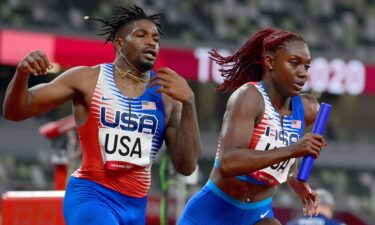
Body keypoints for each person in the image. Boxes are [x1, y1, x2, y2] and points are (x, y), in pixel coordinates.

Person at [3, 5, 201, 225]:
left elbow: (186, 166)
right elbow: (15, 111)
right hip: (92, 196)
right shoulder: (88, 79)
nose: (151, 42)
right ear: (119, 43)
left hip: (136, 207)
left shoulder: (166, 95)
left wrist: (189, 102)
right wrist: (21, 74)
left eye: (155, 38)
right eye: (141, 35)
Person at [178, 28, 325, 225]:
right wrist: (293, 150)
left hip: (258, 215)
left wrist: (294, 179)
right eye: (294, 63)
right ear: (270, 61)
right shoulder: (249, 97)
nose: (302, 73)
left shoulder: (307, 110)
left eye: (306, 66)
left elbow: (285, 145)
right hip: (212, 213)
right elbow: (229, 163)